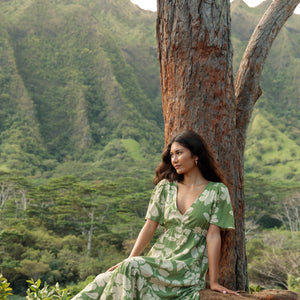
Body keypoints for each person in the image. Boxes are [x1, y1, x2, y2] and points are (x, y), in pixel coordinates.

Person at [72, 130, 239, 299]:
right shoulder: (165, 187)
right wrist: (128, 259)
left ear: (196, 155)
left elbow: (213, 237)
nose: (174, 160)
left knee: (132, 267)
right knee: (103, 280)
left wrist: (213, 281)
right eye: (172, 154)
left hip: (186, 267)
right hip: (159, 258)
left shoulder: (217, 191)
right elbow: (150, 226)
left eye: (179, 153)